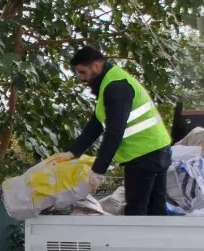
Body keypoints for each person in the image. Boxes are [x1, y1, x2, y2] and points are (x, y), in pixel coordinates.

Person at [65, 45, 173, 215]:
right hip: (157, 149)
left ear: (96, 66)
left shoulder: (116, 87)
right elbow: (95, 125)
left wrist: (98, 171)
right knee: (155, 210)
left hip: (143, 155)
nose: (81, 78)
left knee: (136, 213)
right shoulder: (111, 82)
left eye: (82, 72)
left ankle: (137, 242)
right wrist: (72, 153)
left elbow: (114, 132)